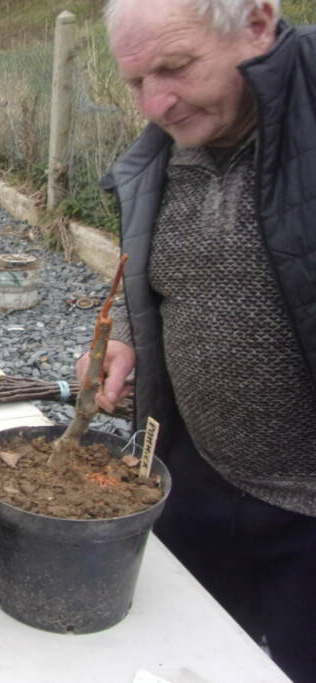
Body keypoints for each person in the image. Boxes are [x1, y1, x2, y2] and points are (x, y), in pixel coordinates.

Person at [79, 1, 316, 680]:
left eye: (176, 67)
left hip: (306, 512)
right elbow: (159, 277)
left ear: (258, 24)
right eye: (135, 81)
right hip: (195, 478)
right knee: (194, 659)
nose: (155, 104)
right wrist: (128, 338)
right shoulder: (167, 149)